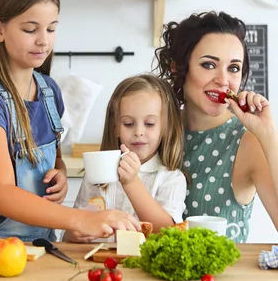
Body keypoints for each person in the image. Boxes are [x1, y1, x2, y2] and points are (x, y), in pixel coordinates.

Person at [0, 0, 139, 242]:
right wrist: (83, 219)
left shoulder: (49, 91)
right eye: (30, 29)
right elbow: (1, 195)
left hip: (42, 238)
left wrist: (60, 176)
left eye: (51, 28)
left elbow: (55, 159)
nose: (44, 40)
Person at [154, 11, 278, 246]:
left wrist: (268, 135)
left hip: (221, 280)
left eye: (233, 68)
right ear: (177, 68)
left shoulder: (246, 143)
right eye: (209, 65)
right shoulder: (153, 130)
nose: (223, 80)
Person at [65, 75, 187, 242]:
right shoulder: (97, 175)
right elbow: (70, 233)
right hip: (97, 264)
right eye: (128, 124)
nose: (138, 131)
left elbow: (168, 232)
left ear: (165, 128)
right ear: (115, 127)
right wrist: (74, 234)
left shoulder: (172, 178)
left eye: (149, 124)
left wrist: (131, 182)